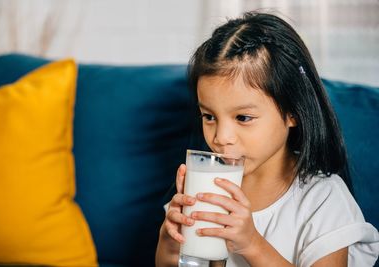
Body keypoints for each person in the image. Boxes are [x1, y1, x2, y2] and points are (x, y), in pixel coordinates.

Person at [155, 11, 379, 267]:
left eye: (243, 118)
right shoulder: (209, 188)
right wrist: (171, 244)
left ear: (293, 112)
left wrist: (252, 244)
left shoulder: (323, 199)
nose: (221, 138)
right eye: (209, 116)